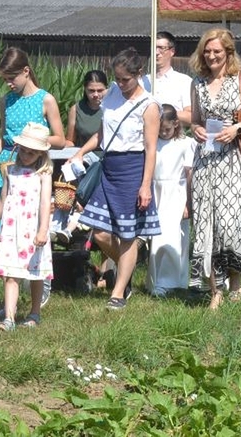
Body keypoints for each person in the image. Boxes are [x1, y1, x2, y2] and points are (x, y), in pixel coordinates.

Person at [72, 48, 161, 310]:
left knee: (127, 234)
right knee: (99, 231)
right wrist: (80, 152)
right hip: (109, 167)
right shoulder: (111, 94)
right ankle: (127, 268)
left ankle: (119, 292)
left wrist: (145, 186)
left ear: (139, 74)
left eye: (126, 79)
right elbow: (102, 134)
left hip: (133, 169)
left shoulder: (149, 105)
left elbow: (151, 149)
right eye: (118, 78)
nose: (121, 84)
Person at [188, 28, 241, 307]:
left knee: (229, 225)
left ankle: (235, 283)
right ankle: (216, 291)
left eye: (217, 52)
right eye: (207, 51)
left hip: (234, 161)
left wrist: (236, 128)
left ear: (228, 53)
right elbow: (195, 119)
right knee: (206, 225)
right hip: (206, 160)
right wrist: (196, 130)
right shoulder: (197, 83)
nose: (211, 56)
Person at [0, 47, 65, 309]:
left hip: (33, 164)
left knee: (29, 229)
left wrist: (33, 141)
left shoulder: (45, 99)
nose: (9, 83)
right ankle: (10, 296)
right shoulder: (6, 101)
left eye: (12, 78)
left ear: (26, 71)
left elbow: (60, 139)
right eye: (5, 79)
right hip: (7, 166)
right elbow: (5, 137)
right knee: (3, 231)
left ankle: (37, 286)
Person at [0, 122, 54, 331]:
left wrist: (42, 230)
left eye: (31, 153)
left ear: (41, 154)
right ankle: (9, 317)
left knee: (36, 273)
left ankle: (35, 312)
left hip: (32, 229)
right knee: (10, 272)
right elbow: (2, 200)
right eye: (23, 151)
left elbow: (45, 203)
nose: (26, 156)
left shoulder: (43, 174)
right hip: (11, 229)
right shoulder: (10, 170)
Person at [147, 104, 194, 296]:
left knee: (173, 236)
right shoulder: (152, 142)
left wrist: (188, 203)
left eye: (167, 129)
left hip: (176, 192)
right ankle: (156, 280)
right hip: (157, 191)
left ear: (176, 124)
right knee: (157, 237)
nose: (163, 133)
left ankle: (171, 281)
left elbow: (189, 174)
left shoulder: (186, 143)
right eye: (160, 130)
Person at [153, 31, 193, 125]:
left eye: (161, 48)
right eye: (154, 48)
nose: (156, 52)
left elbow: (191, 117)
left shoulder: (184, 81)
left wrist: (164, 113)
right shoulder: (142, 81)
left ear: (172, 51)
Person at [66, 69, 109, 149]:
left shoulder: (113, 108)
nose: (96, 95)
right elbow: (70, 141)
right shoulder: (75, 109)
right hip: (83, 153)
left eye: (100, 90)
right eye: (91, 91)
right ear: (85, 89)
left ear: (106, 89)